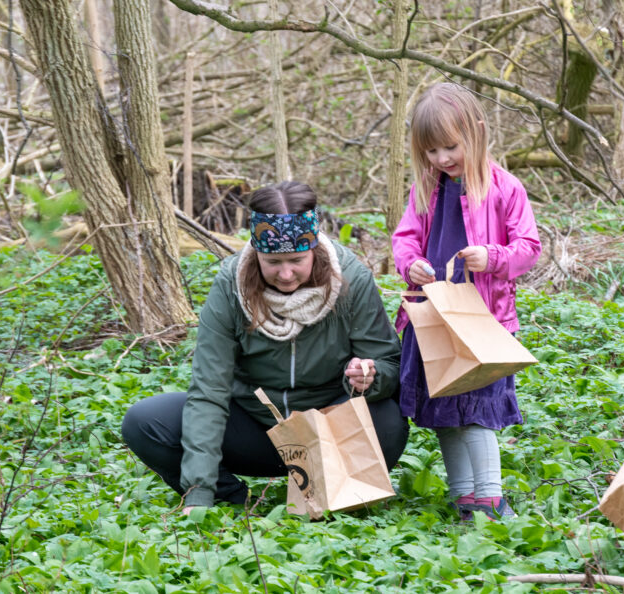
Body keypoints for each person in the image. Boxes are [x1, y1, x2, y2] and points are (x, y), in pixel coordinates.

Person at [122, 181, 409, 512]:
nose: (286, 274)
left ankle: (333, 488)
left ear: (313, 250)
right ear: (256, 252)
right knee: (144, 422)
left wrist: (369, 378)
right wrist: (199, 492)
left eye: (297, 260)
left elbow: (389, 362)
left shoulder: (351, 279)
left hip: (330, 431)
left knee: (387, 416)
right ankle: (227, 497)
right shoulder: (232, 284)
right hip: (257, 431)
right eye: (273, 262)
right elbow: (209, 389)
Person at [391, 82, 542, 520]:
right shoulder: (426, 189)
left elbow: (529, 247)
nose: (442, 159)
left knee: (478, 411)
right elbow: (405, 241)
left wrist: (492, 257)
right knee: (443, 412)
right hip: (433, 317)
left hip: (483, 320)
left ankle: (491, 497)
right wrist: (412, 264)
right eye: (431, 151)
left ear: (476, 132)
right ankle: (465, 498)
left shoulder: (504, 187)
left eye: (450, 147)